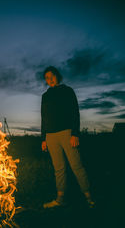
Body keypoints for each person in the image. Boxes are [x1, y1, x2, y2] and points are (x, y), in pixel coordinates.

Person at [41, 66, 95, 209]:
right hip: (50, 136)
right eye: (47, 78)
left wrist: (75, 133)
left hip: (66, 133)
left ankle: (89, 197)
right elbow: (44, 118)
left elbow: (75, 113)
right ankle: (60, 199)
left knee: (76, 165)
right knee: (59, 168)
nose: (50, 79)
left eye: (52, 76)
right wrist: (43, 138)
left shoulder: (67, 91)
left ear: (57, 76)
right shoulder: (45, 96)